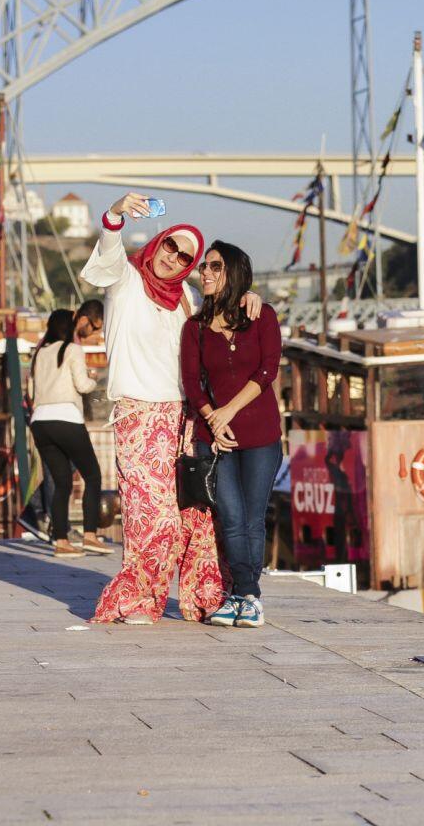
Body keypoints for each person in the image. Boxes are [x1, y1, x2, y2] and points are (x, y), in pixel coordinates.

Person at [85, 193, 259, 625]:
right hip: (139, 415)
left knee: (195, 514)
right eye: (169, 246)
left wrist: (250, 297)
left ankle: (204, 599)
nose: (174, 257)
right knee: (153, 515)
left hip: (185, 418)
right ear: (158, 242)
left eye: (185, 255)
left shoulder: (185, 298)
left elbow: (219, 328)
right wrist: (115, 215)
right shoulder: (125, 280)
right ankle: (138, 600)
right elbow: (107, 254)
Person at [181, 241, 282, 628]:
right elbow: (192, 383)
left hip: (260, 436)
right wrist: (214, 418)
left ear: (234, 272)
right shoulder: (195, 327)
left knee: (252, 518)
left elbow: (267, 371)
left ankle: (248, 597)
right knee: (231, 517)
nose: (204, 273)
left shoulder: (263, 316)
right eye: (204, 267)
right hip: (214, 437)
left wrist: (228, 412)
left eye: (215, 267)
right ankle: (241, 593)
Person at [30, 309, 109, 559]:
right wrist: (94, 379)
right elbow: (82, 385)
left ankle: (61, 541)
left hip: (40, 421)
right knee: (93, 476)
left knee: (62, 482)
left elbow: (31, 390)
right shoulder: (72, 349)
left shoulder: (40, 352)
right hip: (66, 417)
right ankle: (90, 536)